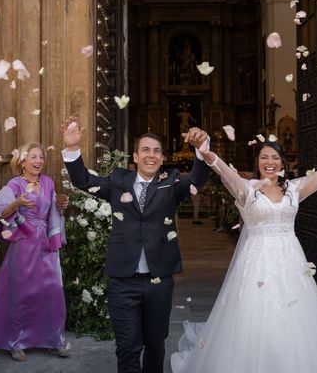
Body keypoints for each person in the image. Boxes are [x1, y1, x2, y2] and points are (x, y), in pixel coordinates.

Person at [170, 138, 317, 373]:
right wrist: (205, 151)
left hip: (290, 263)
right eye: (264, 157)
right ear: (257, 162)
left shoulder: (294, 188)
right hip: (255, 265)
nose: (269, 162)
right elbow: (220, 167)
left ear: (282, 163)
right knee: (254, 320)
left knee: (295, 322)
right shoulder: (246, 188)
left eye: (274, 158)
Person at [61, 117, 210, 373]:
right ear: (135, 156)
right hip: (123, 279)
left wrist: (201, 150)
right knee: (127, 346)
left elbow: (196, 180)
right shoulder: (118, 181)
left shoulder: (172, 181)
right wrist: (73, 149)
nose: (151, 155)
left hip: (159, 279)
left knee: (155, 345)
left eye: (156, 151)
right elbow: (83, 180)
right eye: (145, 150)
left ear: (162, 158)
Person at [0, 143, 67, 362]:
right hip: (24, 242)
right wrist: (17, 202)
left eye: (41, 157)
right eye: (34, 157)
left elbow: (53, 211)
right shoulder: (14, 184)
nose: (38, 161)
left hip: (46, 243)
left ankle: (55, 339)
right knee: (21, 292)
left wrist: (61, 205)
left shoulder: (48, 182)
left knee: (53, 290)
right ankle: (16, 342)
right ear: (23, 162)